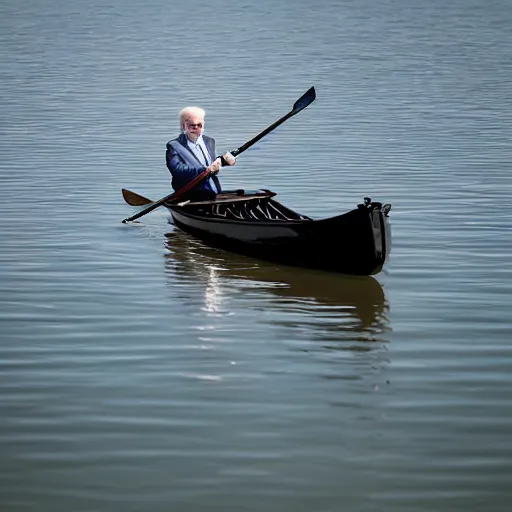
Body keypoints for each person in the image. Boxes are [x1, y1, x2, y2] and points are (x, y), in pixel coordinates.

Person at [166, 106, 236, 201]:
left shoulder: (209, 141)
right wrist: (204, 169)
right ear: (183, 126)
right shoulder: (174, 146)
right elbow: (178, 170)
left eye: (199, 125)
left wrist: (225, 160)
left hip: (213, 192)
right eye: (192, 125)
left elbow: (212, 164)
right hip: (191, 195)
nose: (196, 128)